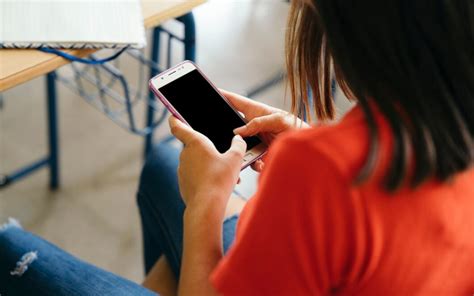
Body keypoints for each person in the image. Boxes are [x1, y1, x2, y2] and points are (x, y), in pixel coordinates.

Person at [1, 0, 473, 294]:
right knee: (165, 162)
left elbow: (342, 196)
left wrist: (204, 203)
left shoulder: (319, 171)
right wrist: (313, 144)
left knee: (9, 247)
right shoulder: (442, 124)